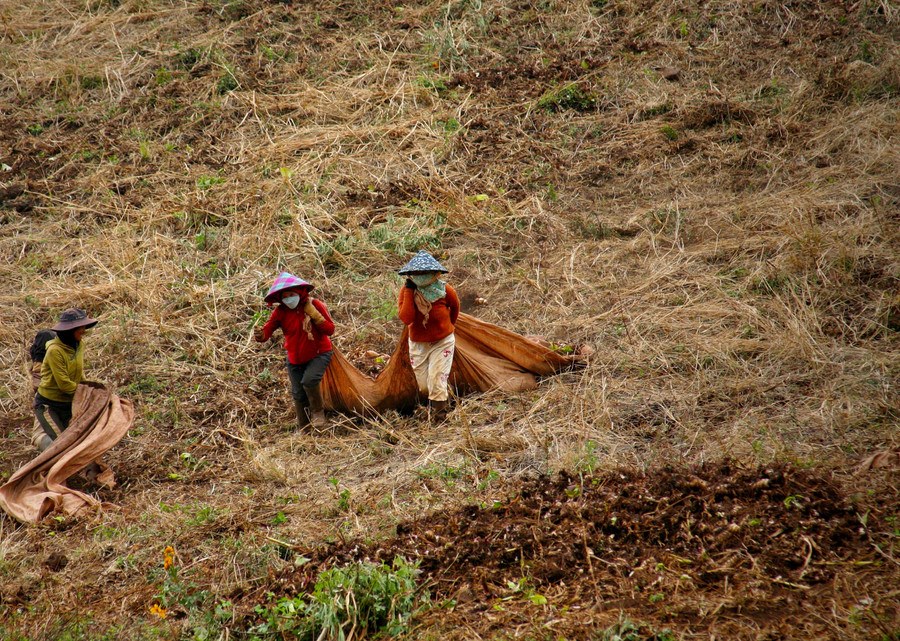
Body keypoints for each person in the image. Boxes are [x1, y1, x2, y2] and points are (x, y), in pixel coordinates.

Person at [254, 272, 335, 430]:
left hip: (319, 353)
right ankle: (304, 426)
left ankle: (318, 413)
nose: (288, 299)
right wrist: (260, 334)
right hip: (294, 358)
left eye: (291, 294)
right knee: (298, 393)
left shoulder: (314, 305)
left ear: (300, 292)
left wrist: (315, 315)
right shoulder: (280, 312)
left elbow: (330, 330)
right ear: (280, 299)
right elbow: (268, 330)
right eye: (285, 296)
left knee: (309, 380)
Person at [397, 250, 459, 421]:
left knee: (436, 379)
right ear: (410, 275)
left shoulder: (444, 289)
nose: (422, 276)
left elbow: (455, 309)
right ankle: (445, 397)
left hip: (442, 342)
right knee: (424, 385)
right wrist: (410, 291)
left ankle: (440, 417)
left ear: (434, 273)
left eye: (425, 273)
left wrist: (447, 328)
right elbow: (406, 318)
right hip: (418, 344)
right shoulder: (406, 291)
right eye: (417, 273)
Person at [34, 309, 98, 449]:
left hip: (69, 404)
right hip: (50, 405)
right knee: (60, 446)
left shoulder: (79, 345)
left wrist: (88, 388)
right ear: (70, 330)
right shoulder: (55, 351)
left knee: (79, 441)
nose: (84, 330)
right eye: (80, 328)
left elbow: (79, 375)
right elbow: (64, 384)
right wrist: (86, 394)